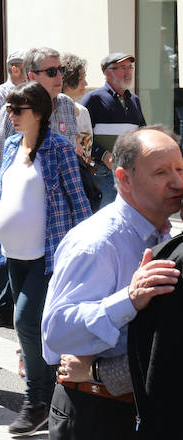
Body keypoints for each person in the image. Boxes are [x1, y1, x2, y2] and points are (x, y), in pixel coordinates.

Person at [41, 126, 182, 440]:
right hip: (94, 410)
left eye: (180, 168)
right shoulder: (97, 243)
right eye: (161, 172)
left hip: (138, 409)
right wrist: (128, 299)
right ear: (124, 178)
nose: (176, 182)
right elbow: (57, 334)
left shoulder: (164, 235)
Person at [0, 81, 92, 435]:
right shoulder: (13, 145)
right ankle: (54, 396)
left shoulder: (57, 149)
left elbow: (80, 204)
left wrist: (85, 254)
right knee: (29, 325)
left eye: (17, 110)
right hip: (15, 257)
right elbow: (5, 204)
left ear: (39, 113)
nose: (10, 116)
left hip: (50, 257)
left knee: (27, 322)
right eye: (9, 109)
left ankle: (37, 401)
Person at [0, 47, 78, 195]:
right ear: (32, 76)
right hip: (25, 199)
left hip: (61, 202)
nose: (58, 76)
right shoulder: (13, 109)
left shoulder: (67, 105)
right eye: (51, 72)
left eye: (61, 70)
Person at [82, 52, 146, 208]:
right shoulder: (93, 99)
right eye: (122, 67)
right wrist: (104, 155)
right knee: (103, 222)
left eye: (129, 67)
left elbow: (143, 133)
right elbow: (83, 137)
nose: (128, 72)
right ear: (106, 72)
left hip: (129, 174)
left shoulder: (134, 100)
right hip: (102, 174)